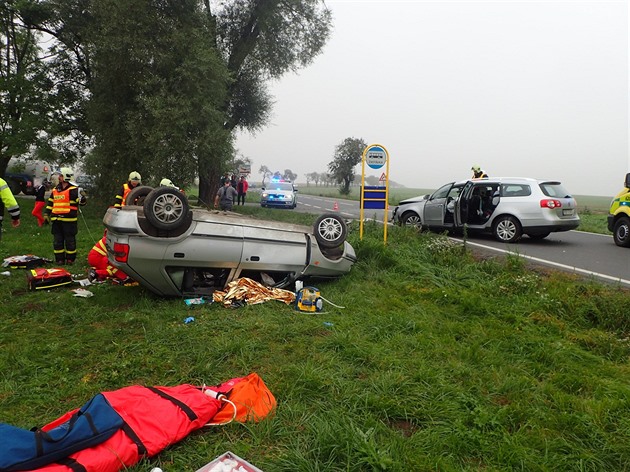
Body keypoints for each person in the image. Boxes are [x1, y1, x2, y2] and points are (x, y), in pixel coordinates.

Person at [44, 170, 80, 264]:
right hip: (56, 220)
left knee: (70, 241)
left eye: (60, 175)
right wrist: (46, 214)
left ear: (65, 177)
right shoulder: (56, 189)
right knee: (57, 241)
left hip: (69, 220)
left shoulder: (74, 189)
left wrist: (82, 198)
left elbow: (81, 202)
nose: (59, 177)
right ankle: (59, 259)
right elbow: (50, 203)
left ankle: (70, 259)